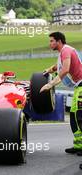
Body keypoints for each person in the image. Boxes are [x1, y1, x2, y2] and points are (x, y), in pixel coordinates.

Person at [40, 32, 82, 160]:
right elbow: (59, 67)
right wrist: (49, 69)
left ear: (59, 41)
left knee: (79, 117)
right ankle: (79, 145)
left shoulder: (66, 50)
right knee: (74, 117)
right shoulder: (64, 52)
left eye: (52, 41)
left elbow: (65, 70)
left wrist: (50, 85)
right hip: (78, 87)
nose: (50, 43)